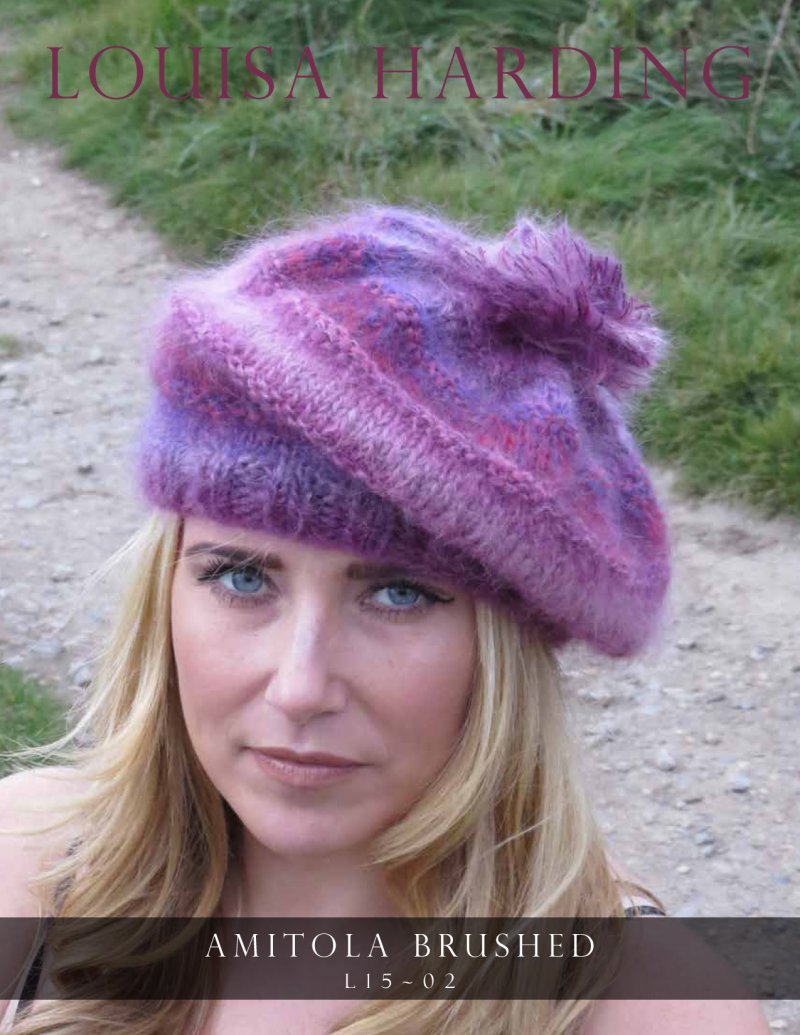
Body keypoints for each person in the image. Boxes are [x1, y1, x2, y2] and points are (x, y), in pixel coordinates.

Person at [0, 203, 769, 1034]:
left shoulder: (653, 1013)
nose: (300, 687)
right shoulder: (31, 866)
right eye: (241, 577)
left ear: (504, 647)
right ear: (166, 589)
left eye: (398, 594)